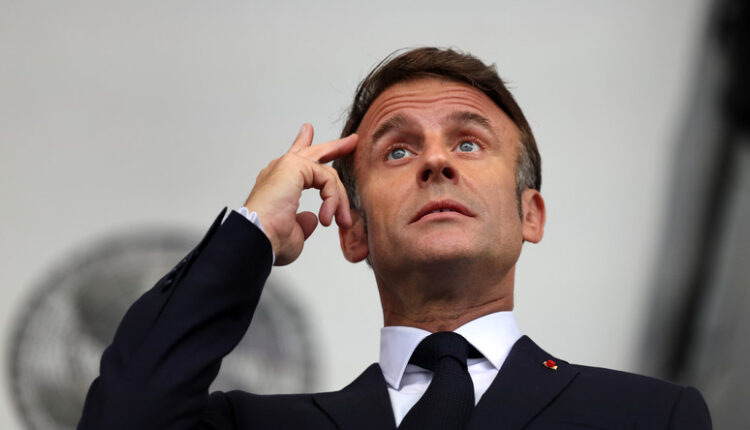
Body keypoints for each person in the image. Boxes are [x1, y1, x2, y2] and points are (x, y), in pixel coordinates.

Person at [78, 47, 712, 429]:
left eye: (469, 143)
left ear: (531, 215)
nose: (436, 162)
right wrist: (252, 233)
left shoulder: (651, 417)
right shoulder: (256, 425)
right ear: (353, 231)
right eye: (398, 150)